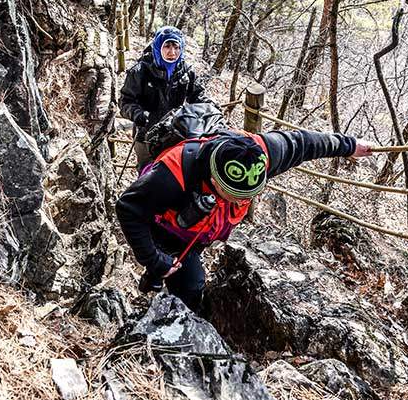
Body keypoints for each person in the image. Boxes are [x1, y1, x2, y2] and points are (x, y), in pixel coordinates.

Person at [116, 126, 373, 311]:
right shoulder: (172, 174)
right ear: (214, 178)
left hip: (201, 233)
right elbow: (129, 208)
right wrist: (154, 259)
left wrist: (348, 146)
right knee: (190, 287)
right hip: (167, 231)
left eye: (246, 196)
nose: (239, 202)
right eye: (232, 194)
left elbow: (303, 143)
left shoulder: (259, 154)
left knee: (186, 282)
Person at [119, 26, 213, 169]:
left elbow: (198, 96)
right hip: (146, 135)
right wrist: (138, 114)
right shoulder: (140, 71)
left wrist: (212, 109)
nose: (172, 52)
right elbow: (125, 101)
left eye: (176, 46)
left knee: (173, 176)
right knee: (148, 175)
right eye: (167, 46)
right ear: (157, 46)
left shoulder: (186, 71)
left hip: (176, 133)